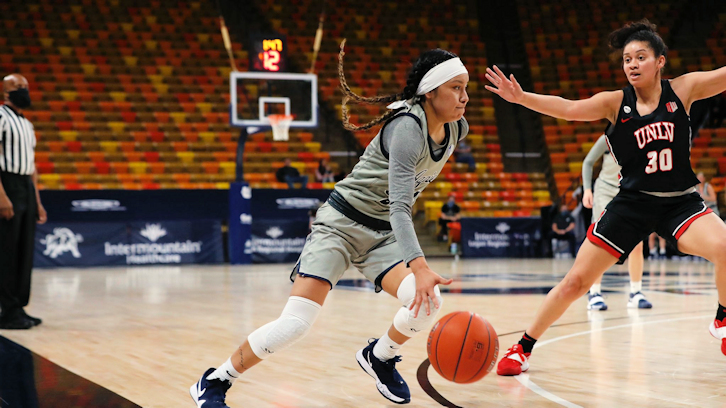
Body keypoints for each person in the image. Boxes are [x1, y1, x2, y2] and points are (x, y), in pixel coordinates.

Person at [190, 40, 470, 407]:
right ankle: (216, 379)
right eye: (456, 88)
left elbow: (396, 210)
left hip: (381, 234)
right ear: (431, 92)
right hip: (341, 225)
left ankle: (379, 357)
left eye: (466, 88)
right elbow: (402, 207)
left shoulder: (456, 130)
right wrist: (419, 266)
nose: (465, 97)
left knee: (427, 302)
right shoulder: (406, 128)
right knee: (295, 325)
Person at [485, 19, 726, 376]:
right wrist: (521, 98)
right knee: (575, 283)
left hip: (680, 201)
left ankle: (722, 319)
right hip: (631, 204)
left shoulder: (684, 89)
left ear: (660, 61)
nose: (631, 64)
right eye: (627, 58)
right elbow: (567, 109)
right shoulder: (615, 102)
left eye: (640, 57)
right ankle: (522, 348)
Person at [582, 134, 652, 311]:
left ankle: (636, 292)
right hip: (605, 191)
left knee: (637, 243)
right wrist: (587, 190)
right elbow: (588, 162)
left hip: (630, 192)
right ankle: (594, 293)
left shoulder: (645, 134)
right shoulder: (609, 137)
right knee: (601, 241)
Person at [0, 74, 47, 330]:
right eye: (17, 87)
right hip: (7, 184)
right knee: (7, 250)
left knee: (24, 250)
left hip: (25, 188)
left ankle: (18, 306)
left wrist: (37, 201)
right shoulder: (1, 117)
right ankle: (6, 310)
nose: (23, 90)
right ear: (6, 93)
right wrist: (2, 196)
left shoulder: (27, 125)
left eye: (25, 86)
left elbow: (32, 166)